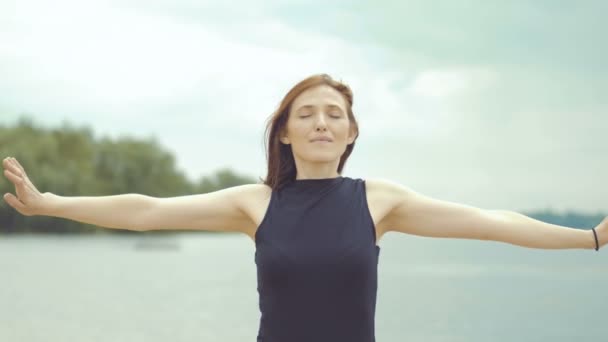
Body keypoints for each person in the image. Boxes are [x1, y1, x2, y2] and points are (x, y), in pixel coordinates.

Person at [2, 73, 606, 342]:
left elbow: (492, 224)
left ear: (350, 134)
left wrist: (592, 240)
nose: (321, 121)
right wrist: (49, 202)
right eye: (306, 113)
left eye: (334, 114)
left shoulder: (380, 201)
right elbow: (147, 210)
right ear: (285, 133)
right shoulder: (254, 203)